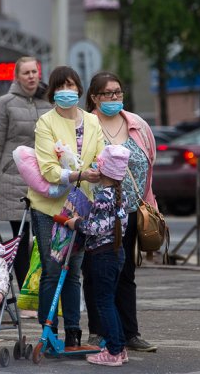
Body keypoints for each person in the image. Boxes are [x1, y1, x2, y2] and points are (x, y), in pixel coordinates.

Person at [27, 66, 105, 350]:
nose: (67, 92)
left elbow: (99, 156)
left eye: (71, 85)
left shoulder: (92, 121)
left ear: (79, 89)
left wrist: (97, 169)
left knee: (73, 269)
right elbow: (48, 169)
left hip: (82, 204)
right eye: (60, 87)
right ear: (52, 93)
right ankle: (49, 333)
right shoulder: (45, 122)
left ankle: (73, 333)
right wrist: (79, 175)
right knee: (52, 267)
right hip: (50, 206)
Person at [82, 71, 158, 352]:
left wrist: (151, 206)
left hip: (131, 211)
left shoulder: (137, 124)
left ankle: (130, 333)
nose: (114, 98)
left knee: (126, 273)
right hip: (97, 212)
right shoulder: (87, 125)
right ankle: (97, 331)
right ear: (94, 97)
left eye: (118, 92)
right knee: (95, 273)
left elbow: (149, 167)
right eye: (107, 93)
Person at [0, 56, 52, 299]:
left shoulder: (49, 102)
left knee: (44, 240)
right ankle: (26, 297)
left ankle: (45, 293)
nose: (31, 76)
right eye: (26, 72)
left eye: (34, 72)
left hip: (44, 177)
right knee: (19, 240)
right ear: (17, 77)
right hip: (13, 179)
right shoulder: (5, 103)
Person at [65, 144, 130, 367]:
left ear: (102, 171)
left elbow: (96, 228)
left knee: (104, 304)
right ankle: (119, 347)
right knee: (110, 301)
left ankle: (112, 352)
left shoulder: (103, 196)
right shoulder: (122, 195)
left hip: (102, 256)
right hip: (116, 253)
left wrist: (76, 222)